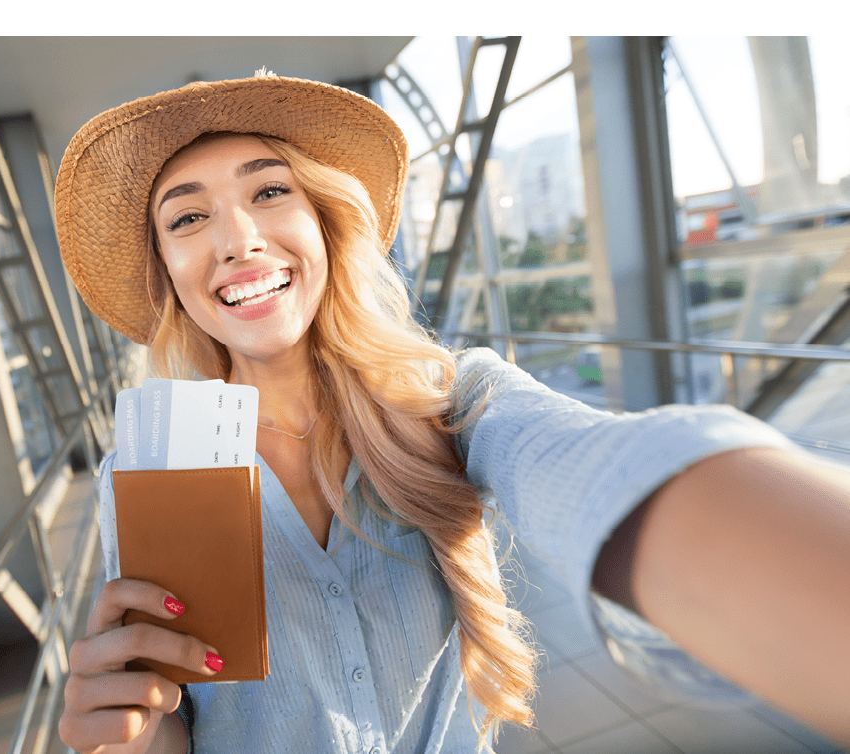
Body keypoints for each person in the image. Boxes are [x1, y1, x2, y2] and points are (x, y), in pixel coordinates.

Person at [51, 73, 850, 753]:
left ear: (325, 222)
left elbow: (592, 462)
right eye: (187, 217)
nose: (238, 239)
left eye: (270, 191)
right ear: (169, 272)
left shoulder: (452, 401)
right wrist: (140, 732)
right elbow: (180, 709)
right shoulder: (151, 471)